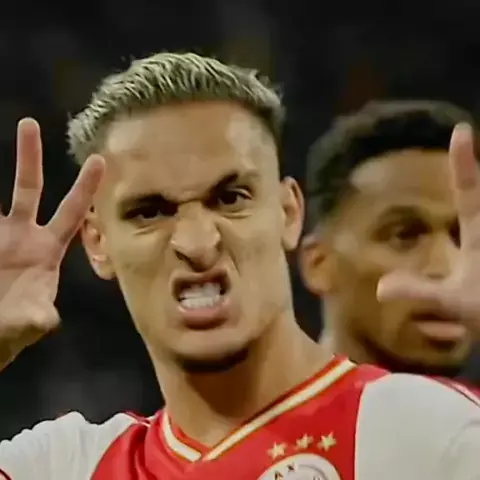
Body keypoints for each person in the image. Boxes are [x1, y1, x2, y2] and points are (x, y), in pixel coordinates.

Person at [0, 55, 479, 480]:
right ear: (97, 242)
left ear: (288, 213)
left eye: (230, 198)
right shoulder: (66, 466)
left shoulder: (422, 431)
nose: (197, 243)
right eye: (149, 211)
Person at [299, 100, 480, 389]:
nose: (446, 268)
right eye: (404, 235)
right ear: (318, 264)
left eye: (463, 238)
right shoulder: (243, 416)